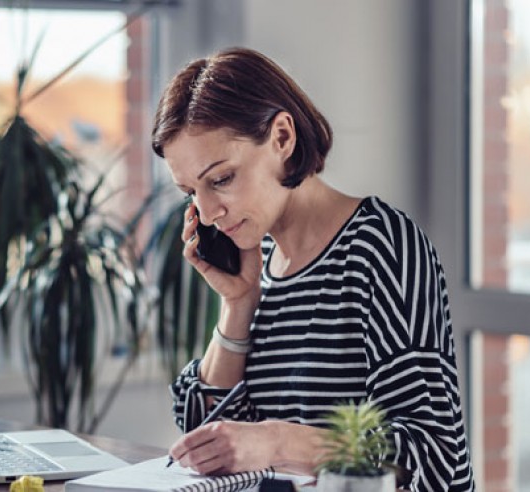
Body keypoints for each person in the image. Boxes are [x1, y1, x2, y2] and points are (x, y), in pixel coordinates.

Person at [152, 47, 474, 491]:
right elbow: (210, 440)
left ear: (283, 138)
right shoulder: (257, 263)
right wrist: (237, 305)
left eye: (221, 179)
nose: (206, 214)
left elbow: (436, 457)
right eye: (191, 191)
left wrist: (279, 441)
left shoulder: (381, 247)